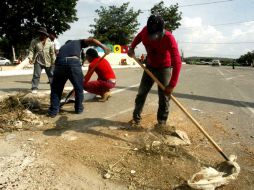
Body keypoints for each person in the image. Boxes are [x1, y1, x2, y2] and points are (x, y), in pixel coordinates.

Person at [127, 14, 182, 130]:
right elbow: (138, 38)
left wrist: (172, 85)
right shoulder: (145, 31)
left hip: (164, 68)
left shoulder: (169, 37)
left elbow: (177, 62)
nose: (153, 38)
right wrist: (131, 48)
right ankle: (136, 119)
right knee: (141, 93)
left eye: (156, 36)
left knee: (164, 97)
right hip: (150, 67)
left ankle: (161, 124)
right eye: (151, 35)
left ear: (162, 30)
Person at [47, 38, 110, 117]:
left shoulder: (63, 47)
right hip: (73, 62)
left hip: (60, 63)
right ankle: (78, 108)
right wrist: (104, 47)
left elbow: (56, 61)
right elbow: (92, 40)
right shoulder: (78, 42)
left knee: (56, 89)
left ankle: (53, 111)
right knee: (79, 88)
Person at [28, 27, 56, 94]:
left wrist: (54, 62)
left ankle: (54, 88)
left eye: (43, 34)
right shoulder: (34, 41)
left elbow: (52, 53)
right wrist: (30, 58)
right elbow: (31, 50)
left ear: (45, 35)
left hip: (48, 61)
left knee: (51, 75)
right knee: (36, 75)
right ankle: (34, 88)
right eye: (40, 34)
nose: (41, 35)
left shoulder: (50, 42)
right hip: (38, 60)